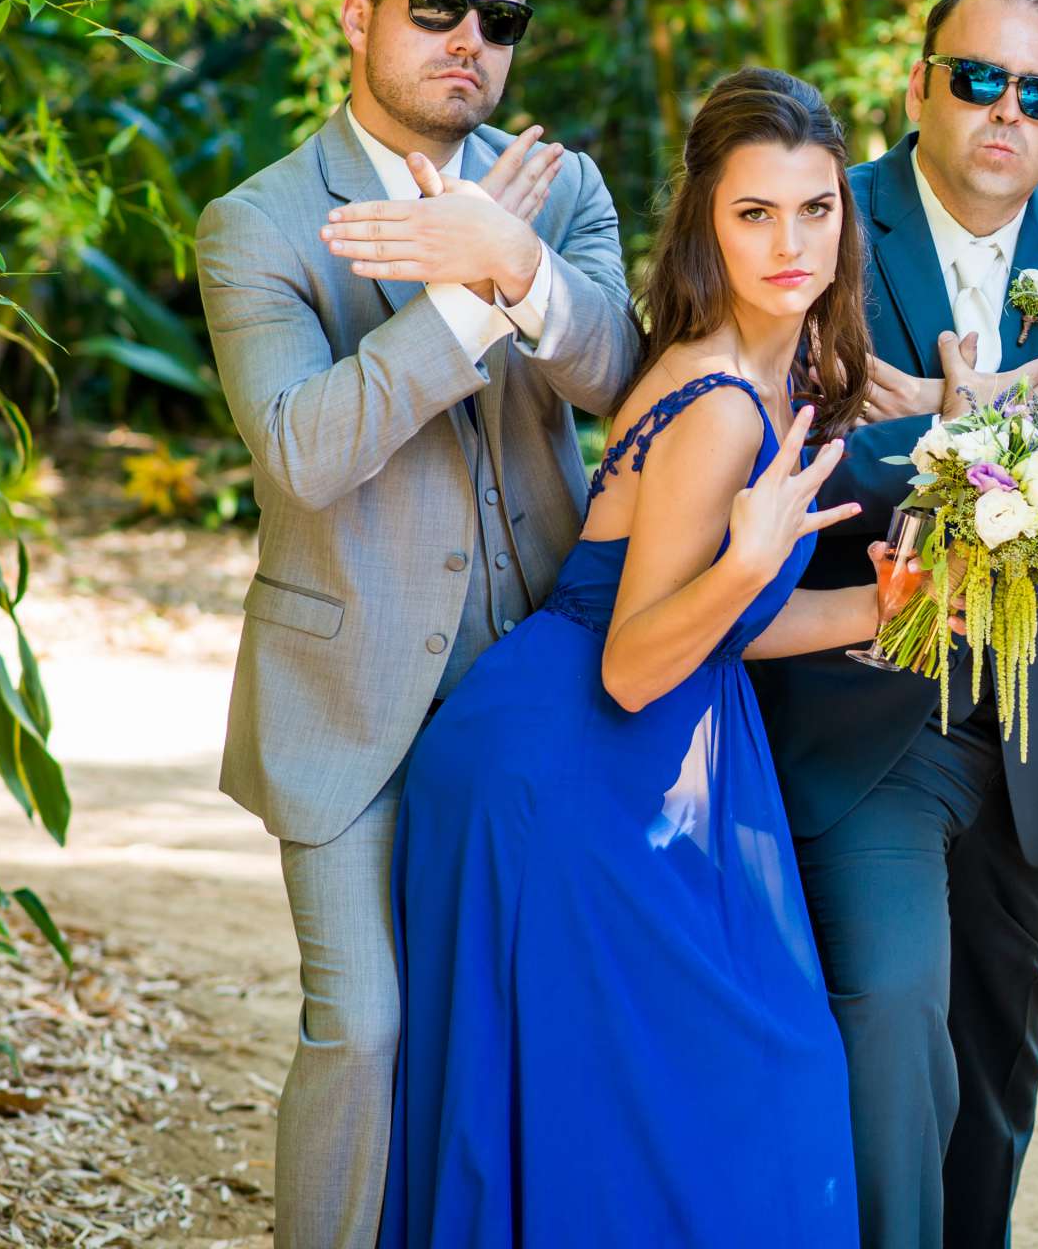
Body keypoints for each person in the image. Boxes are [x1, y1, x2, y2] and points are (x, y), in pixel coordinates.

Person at [380, 68, 901, 1245]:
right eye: (754, 214)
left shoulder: (785, 365)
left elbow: (717, 622)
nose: (791, 242)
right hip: (568, 765)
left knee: (683, 1097)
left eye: (815, 209)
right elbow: (635, 656)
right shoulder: (721, 397)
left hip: (630, 742)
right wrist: (748, 556)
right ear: (708, 224)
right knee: (710, 1092)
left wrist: (883, 609)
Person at [194, 0, 637, 1249]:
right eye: (433, 8)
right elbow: (300, 454)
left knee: (522, 1020)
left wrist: (519, 267)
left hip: (544, 687)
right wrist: (454, 301)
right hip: (349, 690)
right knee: (368, 1030)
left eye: (496, 20)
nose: (467, 42)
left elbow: (621, 374)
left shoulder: (557, 191)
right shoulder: (258, 223)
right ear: (358, 14)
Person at [746, 0, 1038, 1248]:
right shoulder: (823, 220)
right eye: (979, 78)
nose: (1008, 112)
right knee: (889, 1010)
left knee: (1000, 1038)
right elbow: (773, 441)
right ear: (920, 84)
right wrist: (960, 440)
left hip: (1036, 725)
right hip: (861, 695)